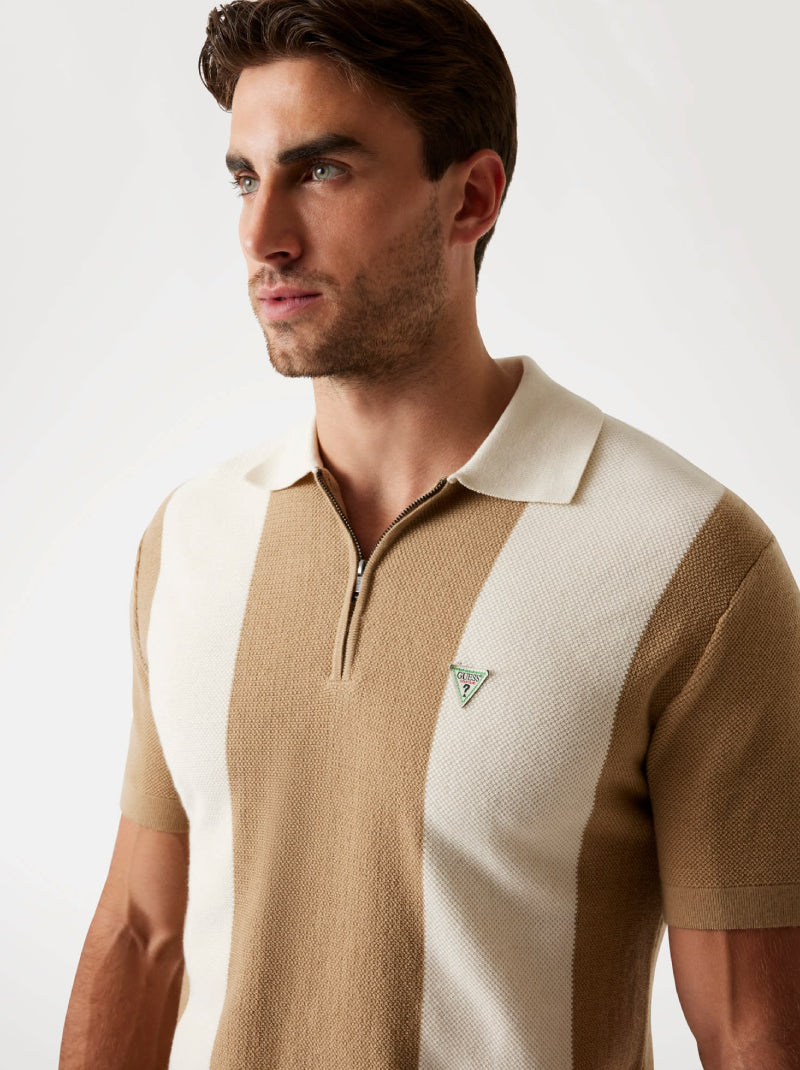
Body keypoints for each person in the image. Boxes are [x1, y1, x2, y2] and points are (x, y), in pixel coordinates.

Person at [59, 0, 800, 1067]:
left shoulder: (689, 565)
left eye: (322, 170)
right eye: (244, 177)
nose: (262, 236)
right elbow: (141, 935)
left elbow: (750, 1030)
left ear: (471, 197)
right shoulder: (190, 540)